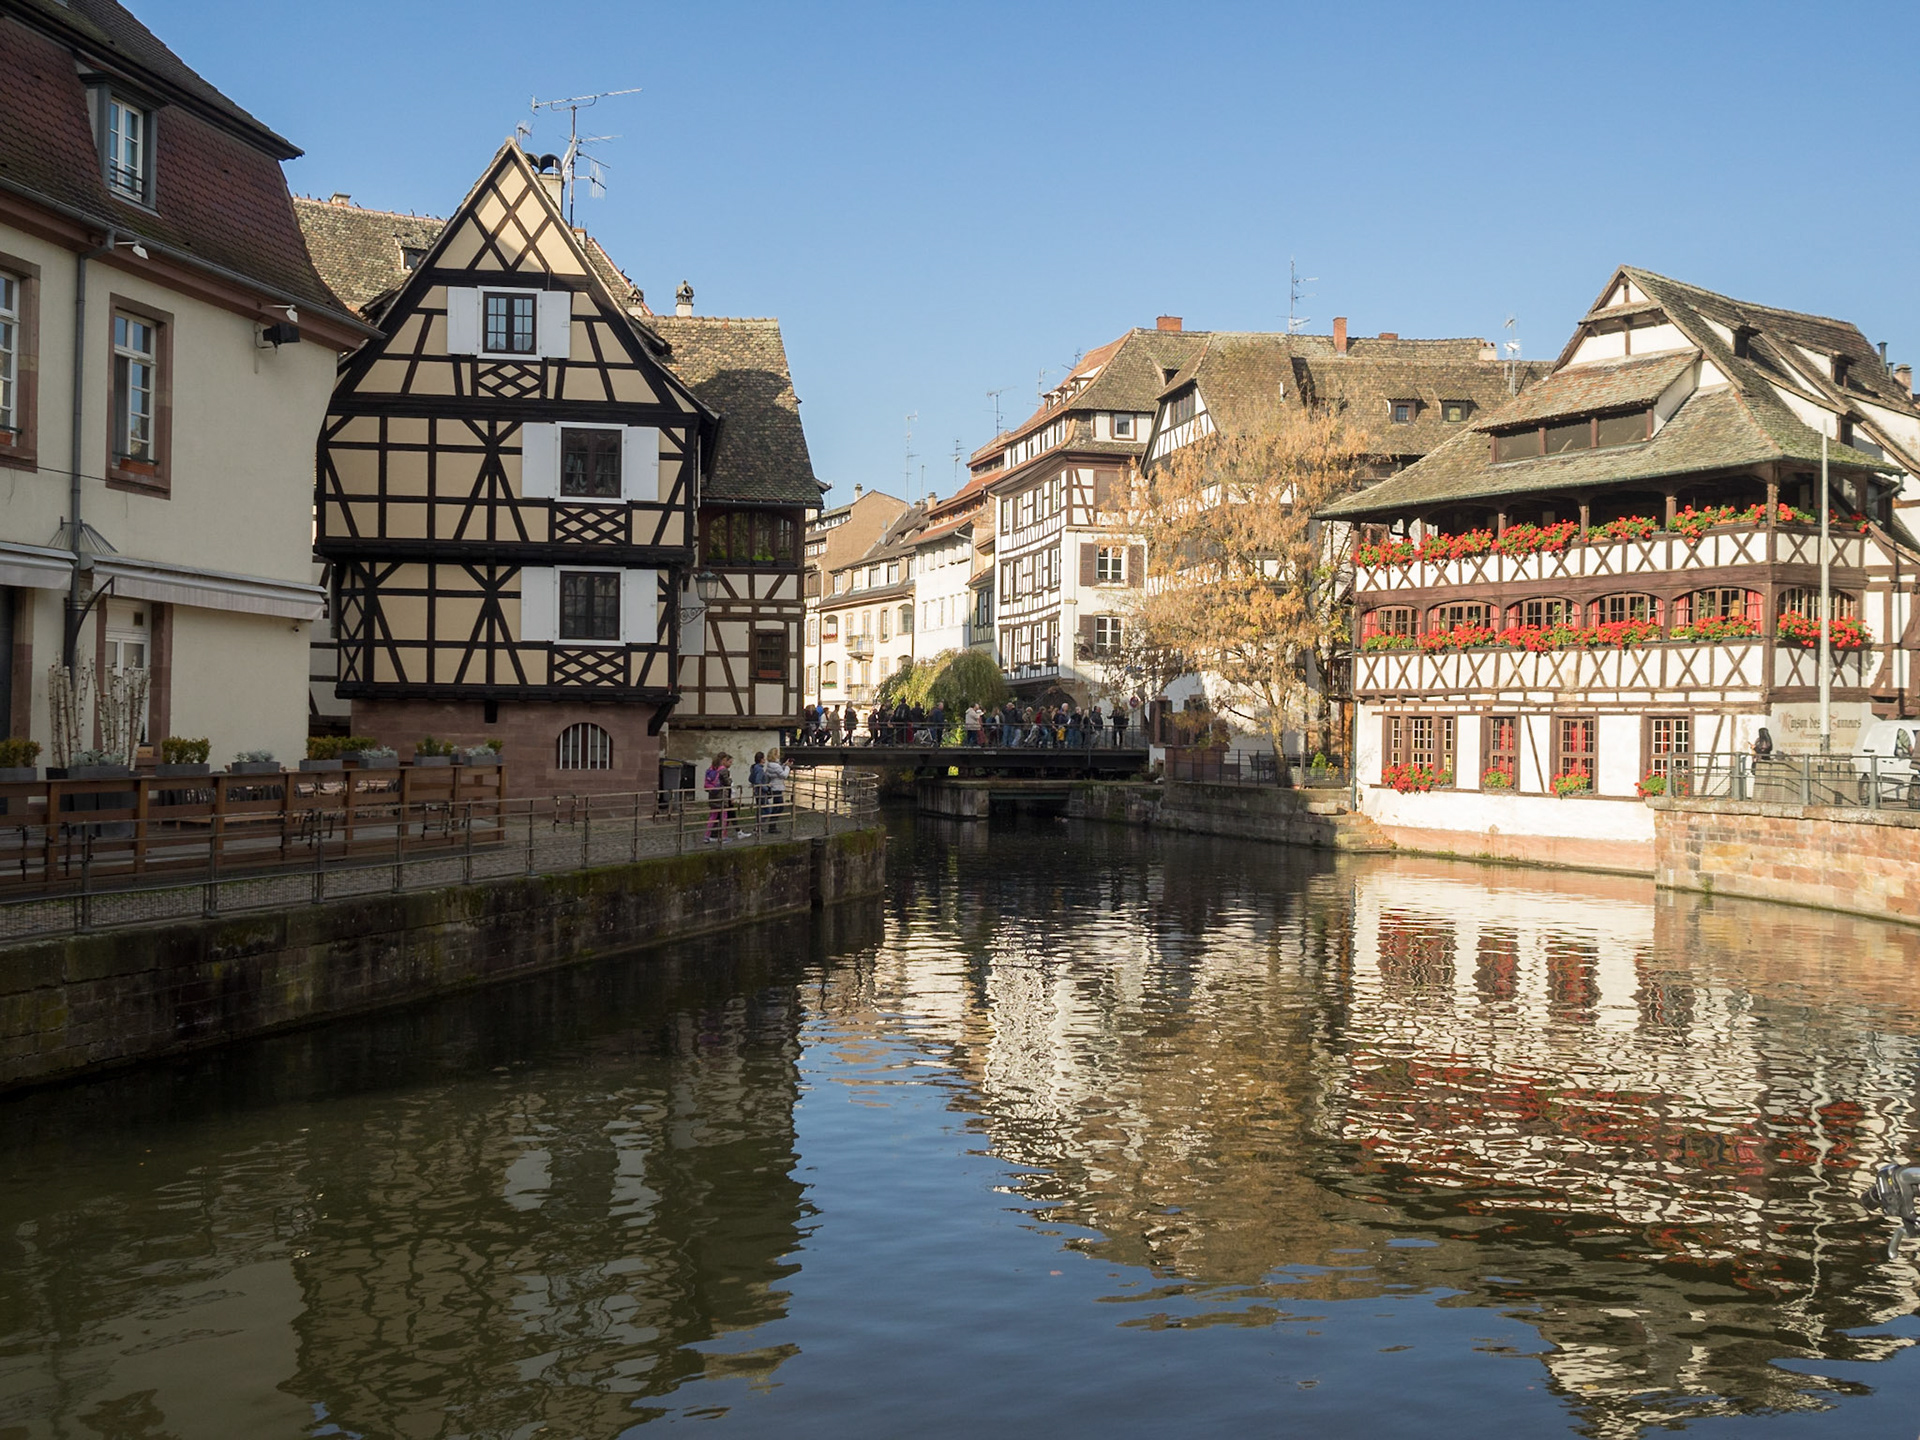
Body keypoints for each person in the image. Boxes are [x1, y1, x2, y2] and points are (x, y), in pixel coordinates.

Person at [704, 752, 732, 841]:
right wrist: (730, 780)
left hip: (712, 795)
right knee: (724, 816)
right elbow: (727, 783)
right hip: (721, 796)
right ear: (723, 760)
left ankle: (707, 836)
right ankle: (723, 836)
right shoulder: (723, 770)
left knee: (712, 816)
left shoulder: (711, 768)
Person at [764, 748, 789, 833]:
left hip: (774, 786)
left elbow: (776, 773)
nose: (779, 755)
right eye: (777, 754)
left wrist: (784, 765)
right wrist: (787, 767)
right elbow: (784, 775)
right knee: (779, 807)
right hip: (777, 787)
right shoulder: (775, 766)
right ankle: (772, 826)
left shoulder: (770, 765)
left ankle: (772, 826)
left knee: (777, 806)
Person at [750, 750, 769, 830]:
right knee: (767, 810)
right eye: (764, 758)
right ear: (761, 759)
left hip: (756, 791)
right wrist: (766, 788)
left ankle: (757, 826)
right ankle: (759, 826)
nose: (765, 759)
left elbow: (750, 779)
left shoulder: (754, 768)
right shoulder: (760, 769)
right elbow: (758, 781)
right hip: (761, 792)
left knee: (759, 809)